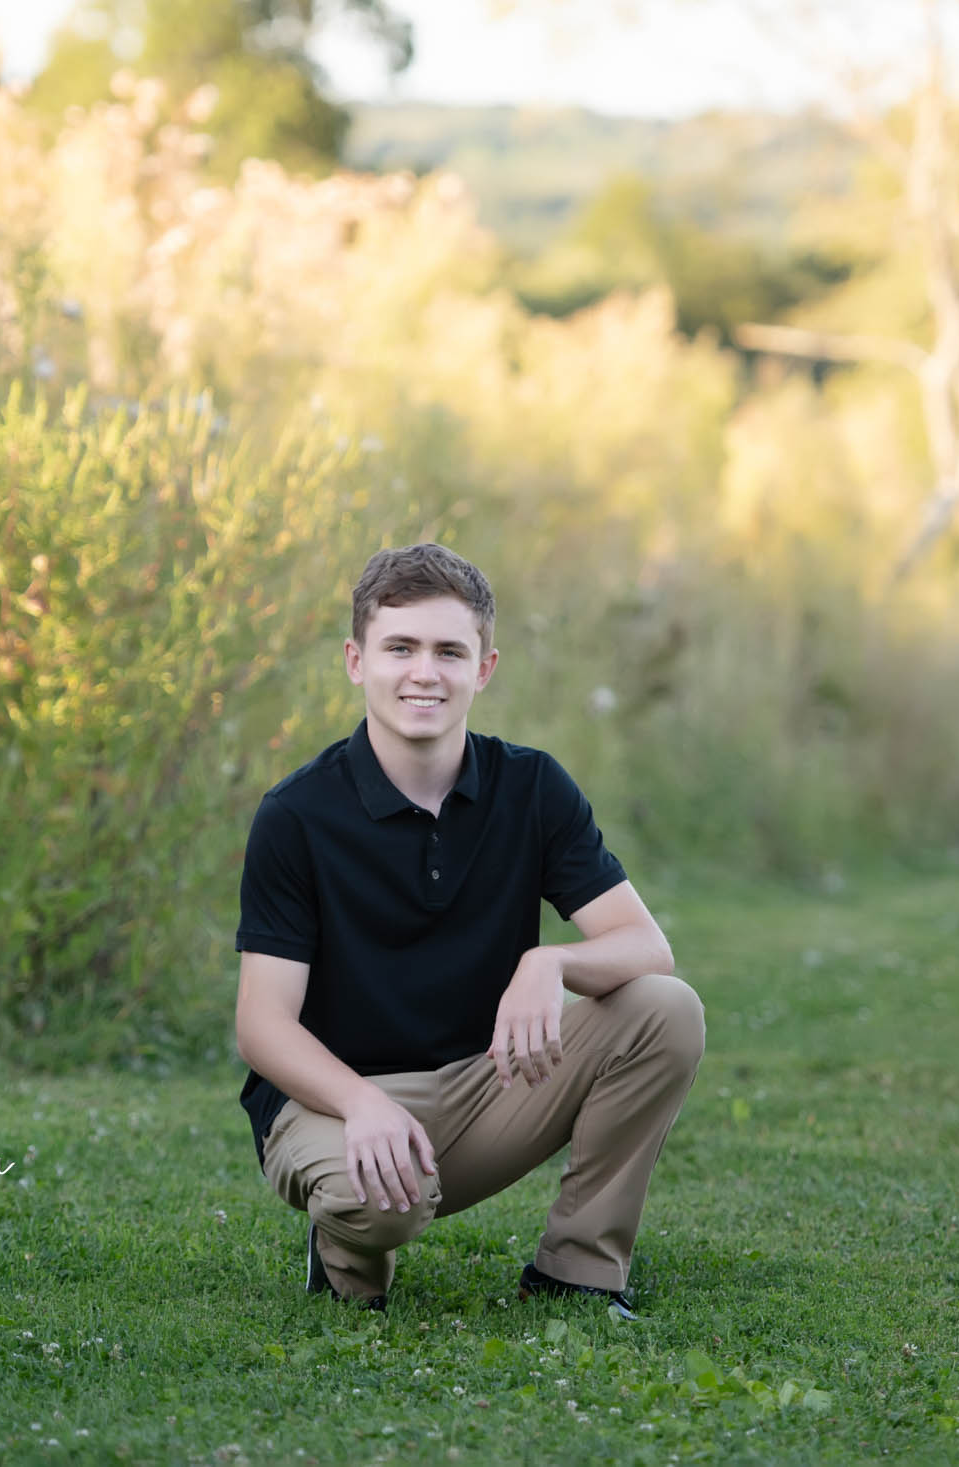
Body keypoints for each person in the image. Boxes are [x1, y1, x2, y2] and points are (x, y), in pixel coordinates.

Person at [233, 542, 705, 1318]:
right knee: (381, 1200)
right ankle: (346, 1252)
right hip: (331, 1099)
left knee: (665, 1008)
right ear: (356, 661)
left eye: (449, 651)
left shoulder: (533, 786)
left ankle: (577, 1268)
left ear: (483, 668)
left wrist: (549, 963)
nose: (425, 672)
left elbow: (647, 948)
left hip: (482, 1084)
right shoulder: (296, 815)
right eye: (400, 647)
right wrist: (360, 1102)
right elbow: (262, 1025)